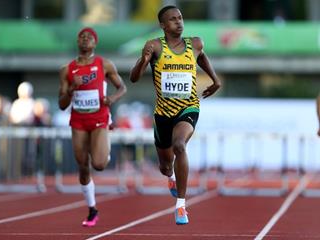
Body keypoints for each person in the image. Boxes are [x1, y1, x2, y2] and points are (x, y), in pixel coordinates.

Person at [130, 5, 221, 225]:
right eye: (172, 19)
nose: (179, 22)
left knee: (180, 145)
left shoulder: (195, 43)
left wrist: (215, 80)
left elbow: (202, 58)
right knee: (164, 166)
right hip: (163, 112)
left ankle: (181, 205)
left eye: (180, 18)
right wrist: (143, 60)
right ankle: (170, 177)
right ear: (163, 25)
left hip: (188, 107)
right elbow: (133, 78)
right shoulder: (154, 46)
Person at [58, 27, 126, 227]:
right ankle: (92, 209)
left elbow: (122, 87)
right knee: (82, 166)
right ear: (78, 42)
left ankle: (104, 145)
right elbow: (62, 104)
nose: (86, 39)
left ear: (95, 43)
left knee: (99, 164)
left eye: (90, 37)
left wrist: (112, 98)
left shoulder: (104, 64)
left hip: (99, 117)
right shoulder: (67, 69)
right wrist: (71, 89)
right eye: (82, 36)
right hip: (78, 120)